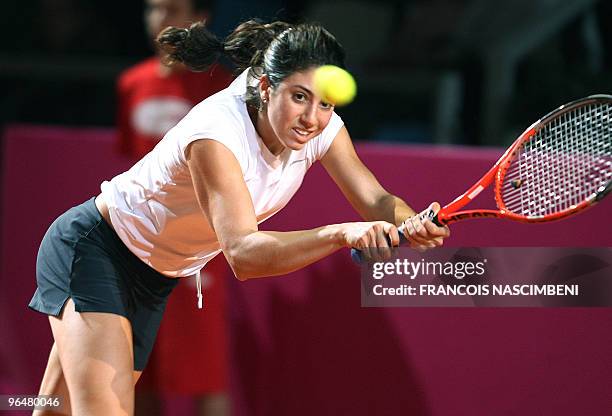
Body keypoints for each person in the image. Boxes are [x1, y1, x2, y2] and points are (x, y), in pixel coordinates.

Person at [29, 18, 450, 415]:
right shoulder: (216, 135)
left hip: (154, 277)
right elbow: (244, 254)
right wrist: (340, 234)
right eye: (299, 97)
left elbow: (375, 199)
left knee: (55, 409)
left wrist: (411, 221)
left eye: (325, 103)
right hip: (94, 250)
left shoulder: (322, 127)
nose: (311, 118)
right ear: (266, 86)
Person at [116, 1, 232, 415]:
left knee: (206, 372)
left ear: (200, 19)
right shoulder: (132, 83)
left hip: (198, 251)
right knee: (138, 372)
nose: (160, 20)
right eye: (153, 9)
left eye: (174, 9)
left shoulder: (225, 89)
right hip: (139, 246)